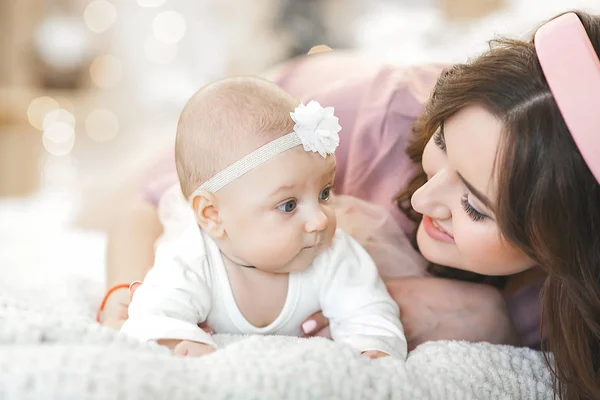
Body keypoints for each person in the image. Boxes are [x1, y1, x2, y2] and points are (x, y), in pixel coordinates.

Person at [102, 9, 600, 398]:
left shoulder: (566, 300)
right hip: (272, 106)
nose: (425, 196)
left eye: (475, 207)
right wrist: (132, 294)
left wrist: (492, 319)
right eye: (442, 144)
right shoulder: (358, 120)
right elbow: (148, 204)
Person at [120, 76, 410, 360]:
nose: (320, 220)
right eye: (288, 205)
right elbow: (153, 316)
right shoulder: (192, 259)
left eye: (324, 193)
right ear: (213, 215)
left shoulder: (332, 253)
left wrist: (374, 349)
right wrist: (177, 341)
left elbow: (370, 312)